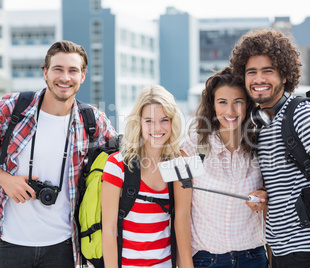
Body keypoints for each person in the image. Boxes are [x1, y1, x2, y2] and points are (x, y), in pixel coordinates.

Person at [229, 28, 310, 268]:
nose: (258, 79)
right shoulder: (264, 122)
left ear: (284, 76)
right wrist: (265, 193)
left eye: (268, 71)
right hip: (283, 251)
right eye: (251, 72)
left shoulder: (304, 115)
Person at [0, 40, 117, 267]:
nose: (65, 78)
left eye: (73, 70)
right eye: (58, 69)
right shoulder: (11, 107)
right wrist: (5, 180)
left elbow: (127, 160)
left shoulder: (92, 120)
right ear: (45, 73)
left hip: (64, 247)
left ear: (83, 76)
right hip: (7, 243)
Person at [174, 67, 267, 267]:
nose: (230, 111)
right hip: (206, 260)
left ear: (248, 104)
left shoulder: (261, 147)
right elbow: (181, 214)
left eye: (238, 102)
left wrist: (264, 197)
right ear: (213, 105)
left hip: (254, 258)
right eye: (222, 102)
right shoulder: (189, 149)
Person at [101, 85, 181, 268]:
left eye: (164, 120)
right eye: (149, 121)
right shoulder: (118, 164)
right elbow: (109, 229)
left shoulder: (176, 164)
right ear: (138, 122)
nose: (157, 128)